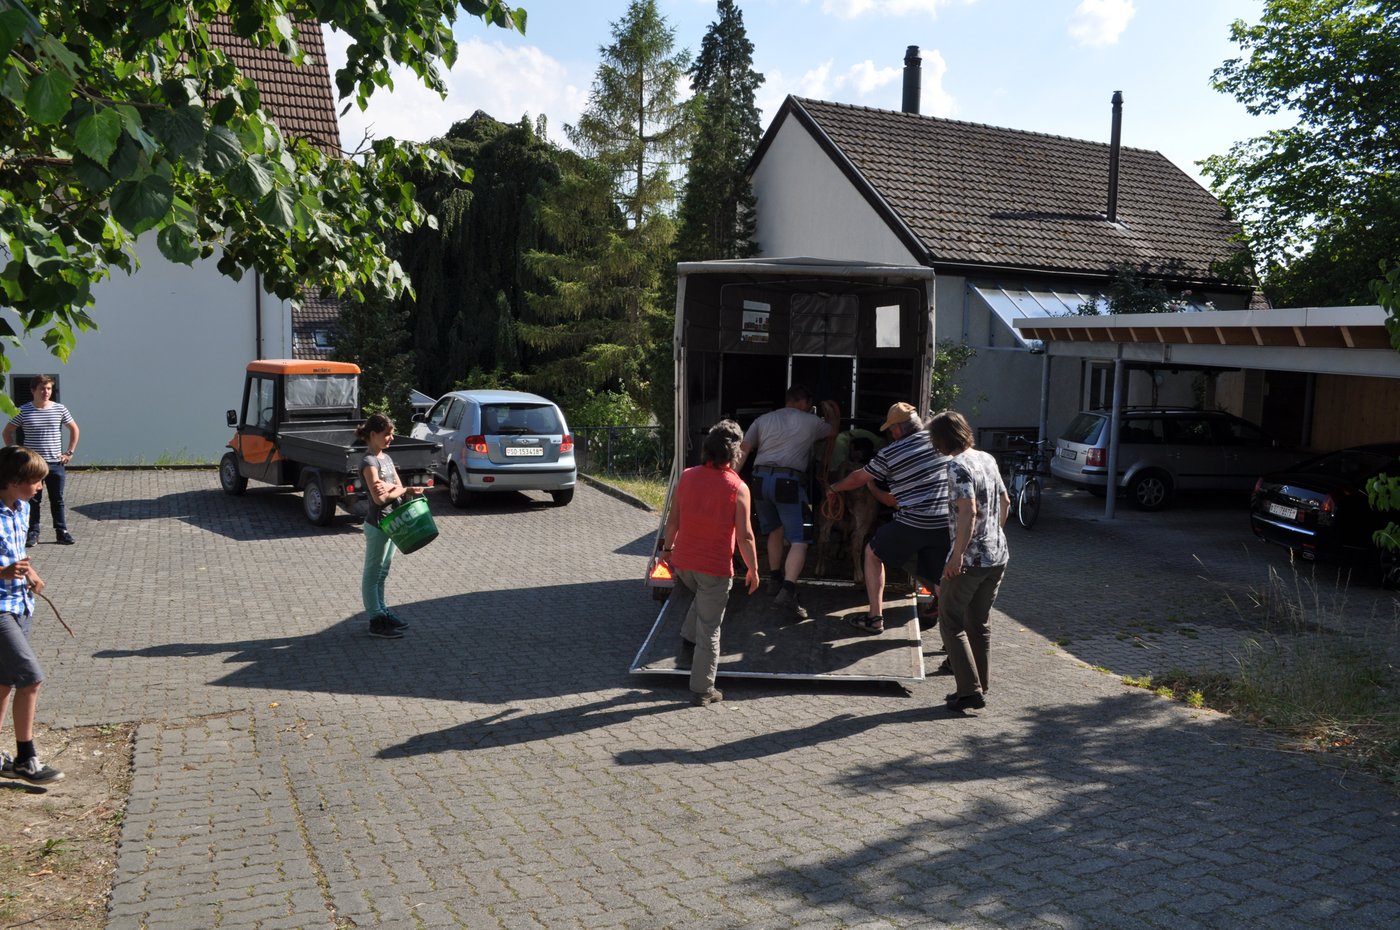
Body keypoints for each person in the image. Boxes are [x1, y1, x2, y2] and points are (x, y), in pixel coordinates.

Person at [825, 402, 951, 635]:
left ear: (899, 429)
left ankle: (875, 618)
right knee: (939, 579)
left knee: (873, 553)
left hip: (914, 521)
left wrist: (834, 487)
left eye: (891, 429)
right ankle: (954, 633)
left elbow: (858, 479)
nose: (890, 434)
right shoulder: (939, 442)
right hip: (945, 522)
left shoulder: (892, 452)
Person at [661, 420, 761, 706]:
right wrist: (753, 568)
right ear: (735, 453)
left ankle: (686, 635)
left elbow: (673, 521)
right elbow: (745, 536)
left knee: (701, 597)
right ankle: (703, 690)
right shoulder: (738, 488)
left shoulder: (687, 476)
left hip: (684, 563)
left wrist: (667, 550)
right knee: (711, 629)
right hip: (715, 568)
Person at [734, 385, 840, 621]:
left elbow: (743, 451)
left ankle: (774, 578)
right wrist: (831, 413)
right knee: (800, 539)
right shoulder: (810, 421)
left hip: (760, 481)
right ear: (803, 402)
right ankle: (788, 592)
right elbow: (833, 432)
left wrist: (729, 480)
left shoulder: (763, 420)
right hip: (788, 482)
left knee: (774, 530)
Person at [928, 410, 1010, 712]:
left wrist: (958, 554)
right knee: (979, 623)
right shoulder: (987, 459)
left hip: (971, 559)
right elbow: (1005, 502)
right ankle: (979, 685)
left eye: (934, 438)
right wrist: (994, 534)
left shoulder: (957, 467)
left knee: (950, 621)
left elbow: (969, 511)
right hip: (997, 555)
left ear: (943, 439)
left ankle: (969, 691)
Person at [0, 445, 62, 783]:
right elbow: (5, 564)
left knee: (5, 682)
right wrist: (3, 572)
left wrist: (30, 574)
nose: (39, 488)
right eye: (35, 481)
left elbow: (16, 551)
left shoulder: (21, 508)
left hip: (20, 604)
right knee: (31, 677)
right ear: (12, 480)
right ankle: (26, 758)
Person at [357, 414, 423, 640]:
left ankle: (383, 611)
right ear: (373, 435)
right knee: (373, 572)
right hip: (378, 524)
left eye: (391, 434)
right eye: (387, 434)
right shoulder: (369, 462)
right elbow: (379, 499)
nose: (391, 438)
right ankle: (376, 619)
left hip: (393, 521)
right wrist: (398, 490)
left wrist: (398, 489)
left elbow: (397, 486)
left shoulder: (385, 459)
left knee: (383, 572)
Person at [3, 375, 80, 546]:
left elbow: (74, 429)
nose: (46, 392)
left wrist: (69, 452)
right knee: (33, 499)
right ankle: (33, 532)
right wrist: (17, 454)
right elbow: (7, 432)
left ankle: (62, 531)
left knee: (57, 499)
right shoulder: (23, 410)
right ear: (33, 390)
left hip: (55, 463)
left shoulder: (60, 409)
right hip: (33, 466)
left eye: (49, 389)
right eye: (42, 389)